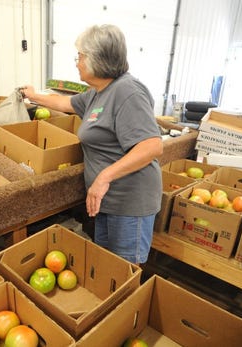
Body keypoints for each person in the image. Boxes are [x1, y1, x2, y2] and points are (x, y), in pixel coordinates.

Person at [21, 24, 163, 265]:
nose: (77, 62)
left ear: (99, 59)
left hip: (129, 201)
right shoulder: (99, 92)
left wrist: (103, 178)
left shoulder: (128, 92)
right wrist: (33, 96)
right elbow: (66, 103)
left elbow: (151, 146)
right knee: (107, 268)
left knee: (124, 272)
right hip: (107, 200)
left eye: (81, 56)